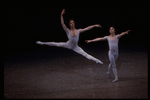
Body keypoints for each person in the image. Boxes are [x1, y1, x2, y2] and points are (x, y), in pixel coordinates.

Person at [36, 9, 103, 64]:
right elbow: (62, 23)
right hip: (68, 44)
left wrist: (94, 25)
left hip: (75, 46)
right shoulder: (68, 31)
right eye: (71, 23)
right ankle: (42, 43)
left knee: (85, 54)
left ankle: (96, 60)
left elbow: (87, 28)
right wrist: (61, 15)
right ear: (69, 25)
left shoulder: (78, 31)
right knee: (55, 44)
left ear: (74, 23)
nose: (72, 24)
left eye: (73, 22)